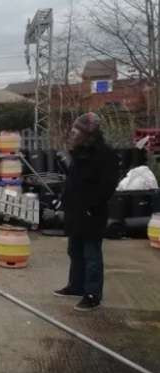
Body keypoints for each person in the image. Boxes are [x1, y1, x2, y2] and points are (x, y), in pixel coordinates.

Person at [53, 112, 119, 311]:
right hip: (75, 211)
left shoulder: (104, 154)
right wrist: (63, 201)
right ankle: (76, 286)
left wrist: (92, 205)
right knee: (74, 251)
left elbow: (108, 185)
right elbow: (73, 181)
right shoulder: (78, 152)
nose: (72, 133)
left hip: (92, 212)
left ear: (87, 133)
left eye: (76, 130)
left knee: (91, 254)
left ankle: (92, 294)